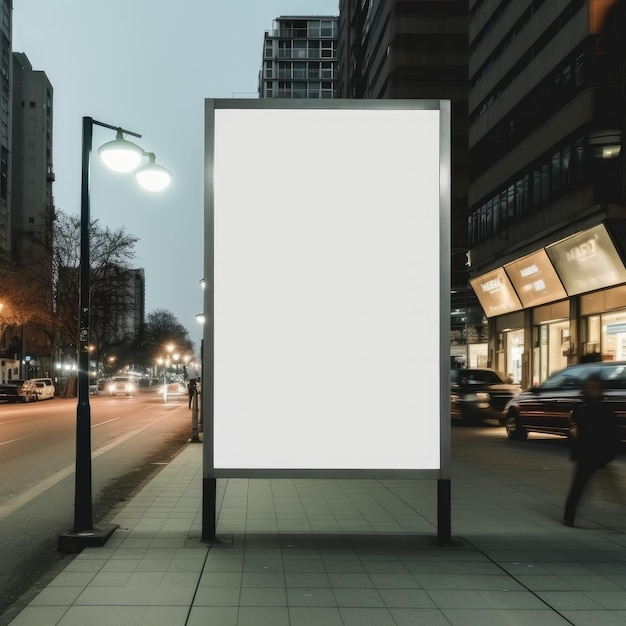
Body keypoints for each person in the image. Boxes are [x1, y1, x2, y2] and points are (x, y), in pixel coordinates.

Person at [563, 373, 619, 526]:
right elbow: (574, 431)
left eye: (596, 387)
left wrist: (610, 451)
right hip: (587, 453)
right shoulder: (582, 408)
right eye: (591, 387)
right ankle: (569, 516)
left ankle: (569, 516)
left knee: (582, 485)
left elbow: (612, 432)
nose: (594, 390)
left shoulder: (602, 408)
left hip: (598, 452)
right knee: (579, 486)